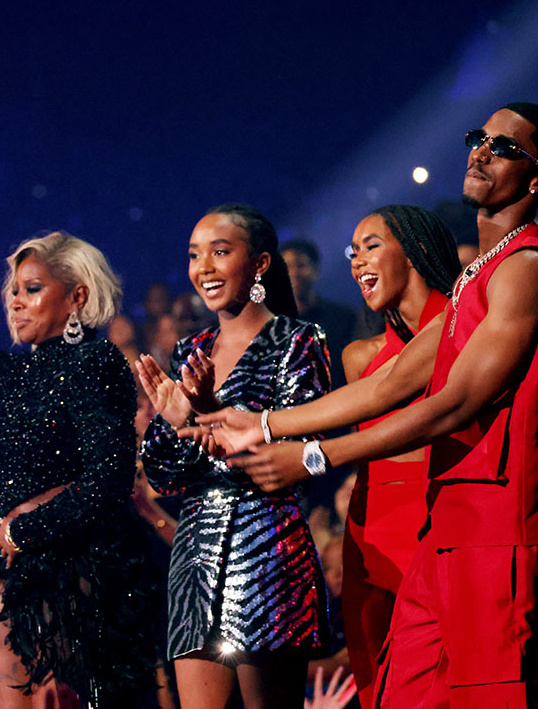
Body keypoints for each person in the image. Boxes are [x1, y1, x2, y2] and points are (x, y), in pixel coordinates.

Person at [199, 103, 538, 707]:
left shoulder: (526, 268)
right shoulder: (475, 278)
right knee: (393, 693)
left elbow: (453, 404)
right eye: (478, 138)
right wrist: (262, 423)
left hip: (494, 532)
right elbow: (389, 385)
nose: (482, 152)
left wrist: (313, 459)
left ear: (536, 180)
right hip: (444, 527)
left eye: (506, 148)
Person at [136, 204, 331, 709]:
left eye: (220, 252)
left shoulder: (298, 342)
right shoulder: (191, 350)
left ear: (260, 263)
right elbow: (162, 472)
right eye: (194, 255)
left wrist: (211, 412)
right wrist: (179, 421)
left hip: (267, 547)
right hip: (194, 555)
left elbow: (292, 462)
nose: (203, 267)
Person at [0, 232, 160, 707]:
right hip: (9, 572)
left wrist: (27, 529)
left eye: (33, 288)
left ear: (77, 296)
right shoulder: (0, 372)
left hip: (81, 568)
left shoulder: (96, 362)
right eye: (14, 290)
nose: (17, 301)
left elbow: (110, 478)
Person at [332, 205, 461, 706]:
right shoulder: (359, 358)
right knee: (382, 682)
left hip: (441, 525)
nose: (357, 260)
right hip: (372, 533)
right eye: (352, 251)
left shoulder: (463, 327)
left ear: (417, 250)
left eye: (371, 245)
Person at [281, 239, 359, 387]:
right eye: (287, 266)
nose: (294, 273)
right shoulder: (271, 322)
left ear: (315, 270)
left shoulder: (344, 318)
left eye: (301, 265)